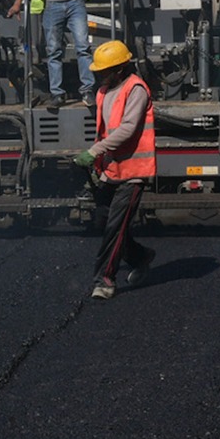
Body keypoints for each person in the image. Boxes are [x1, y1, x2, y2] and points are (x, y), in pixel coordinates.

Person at [74, 40, 157, 300]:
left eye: (103, 71)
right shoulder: (103, 92)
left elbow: (127, 129)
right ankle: (141, 256)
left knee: (115, 227)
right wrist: (98, 159)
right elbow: (105, 129)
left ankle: (105, 281)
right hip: (111, 170)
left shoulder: (136, 90)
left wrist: (94, 151)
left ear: (120, 69)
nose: (98, 75)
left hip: (133, 171)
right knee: (103, 222)